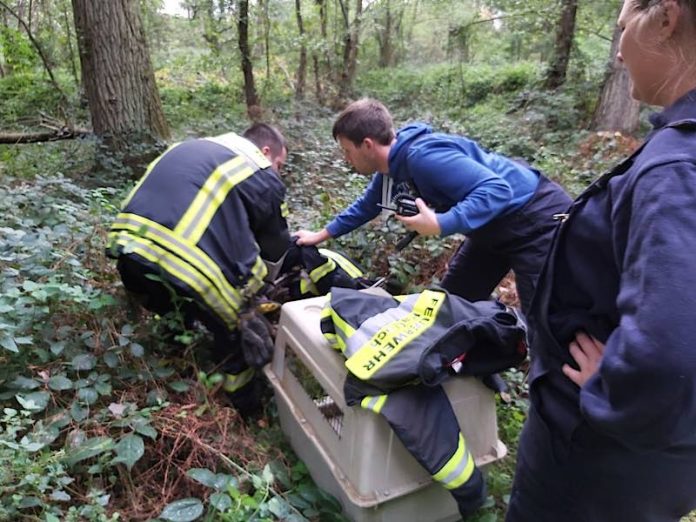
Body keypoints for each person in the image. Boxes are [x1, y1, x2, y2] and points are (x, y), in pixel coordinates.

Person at [506, 1, 696, 520]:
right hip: (652, 468)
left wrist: (612, 392)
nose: (618, 51)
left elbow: (671, 355)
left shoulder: (677, 166)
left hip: (593, 466)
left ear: (665, 17)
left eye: (623, 28)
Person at [294, 98, 571, 315]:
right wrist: (321, 235)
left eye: (347, 151)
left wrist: (441, 223)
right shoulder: (389, 169)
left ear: (367, 145)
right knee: (449, 304)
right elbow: (367, 206)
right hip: (491, 228)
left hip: (536, 219)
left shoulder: (424, 157)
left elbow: (497, 190)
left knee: (545, 319)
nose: (346, 159)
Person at [107, 123, 290, 417]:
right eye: (279, 165)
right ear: (266, 151)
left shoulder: (190, 146)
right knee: (237, 331)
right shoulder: (257, 168)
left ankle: (174, 375)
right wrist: (257, 293)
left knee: (174, 313)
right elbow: (275, 245)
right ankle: (246, 409)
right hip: (186, 265)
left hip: (128, 249)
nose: (277, 172)